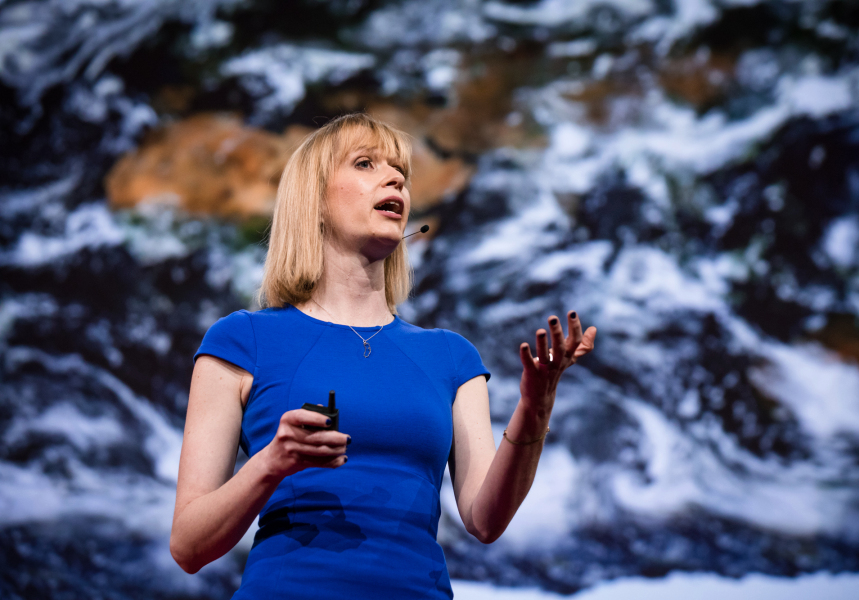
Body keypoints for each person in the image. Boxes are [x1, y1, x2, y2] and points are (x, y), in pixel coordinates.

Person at [170, 113, 597, 599]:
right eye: (365, 163)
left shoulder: (450, 356)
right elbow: (188, 546)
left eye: (400, 171)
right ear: (315, 200)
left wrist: (536, 404)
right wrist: (270, 464)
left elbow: (485, 520)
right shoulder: (242, 340)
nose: (394, 178)